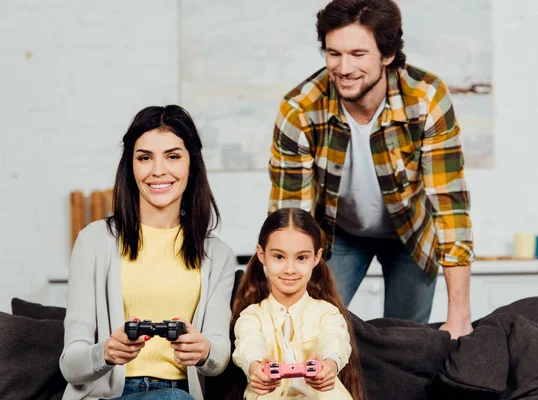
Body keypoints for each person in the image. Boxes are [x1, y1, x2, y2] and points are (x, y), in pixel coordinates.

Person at [268, 0, 474, 338]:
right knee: (312, 332)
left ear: (387, 54)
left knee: (406, 343)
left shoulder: (426, 99)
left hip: (410, 233)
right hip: (339, 233)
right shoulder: (300, 109)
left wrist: (460, 316)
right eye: (334, 54)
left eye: (358, 54)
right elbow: (290, 220)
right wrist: (280, 319)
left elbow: (451, 207)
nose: (344, 68)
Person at [59, 105, 236, 400]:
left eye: (173, 156)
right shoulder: (93, 242)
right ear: (131, 165)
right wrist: (105, 352)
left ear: (192, 163)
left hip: (181, 393)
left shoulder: (218, 254)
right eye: (144, 158)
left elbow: (218, 358)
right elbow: (71, 366)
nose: (158, 170)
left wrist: (204, 350)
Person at [230, 207, 364, 400]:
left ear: (316, 258)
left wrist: (330, 365)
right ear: (262, 255)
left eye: (301, 258)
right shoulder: (251, 316)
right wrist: (255, 367)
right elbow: (249, 343)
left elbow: (335, 338)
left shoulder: (328, 313)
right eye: (279, 257)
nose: (290, 269)